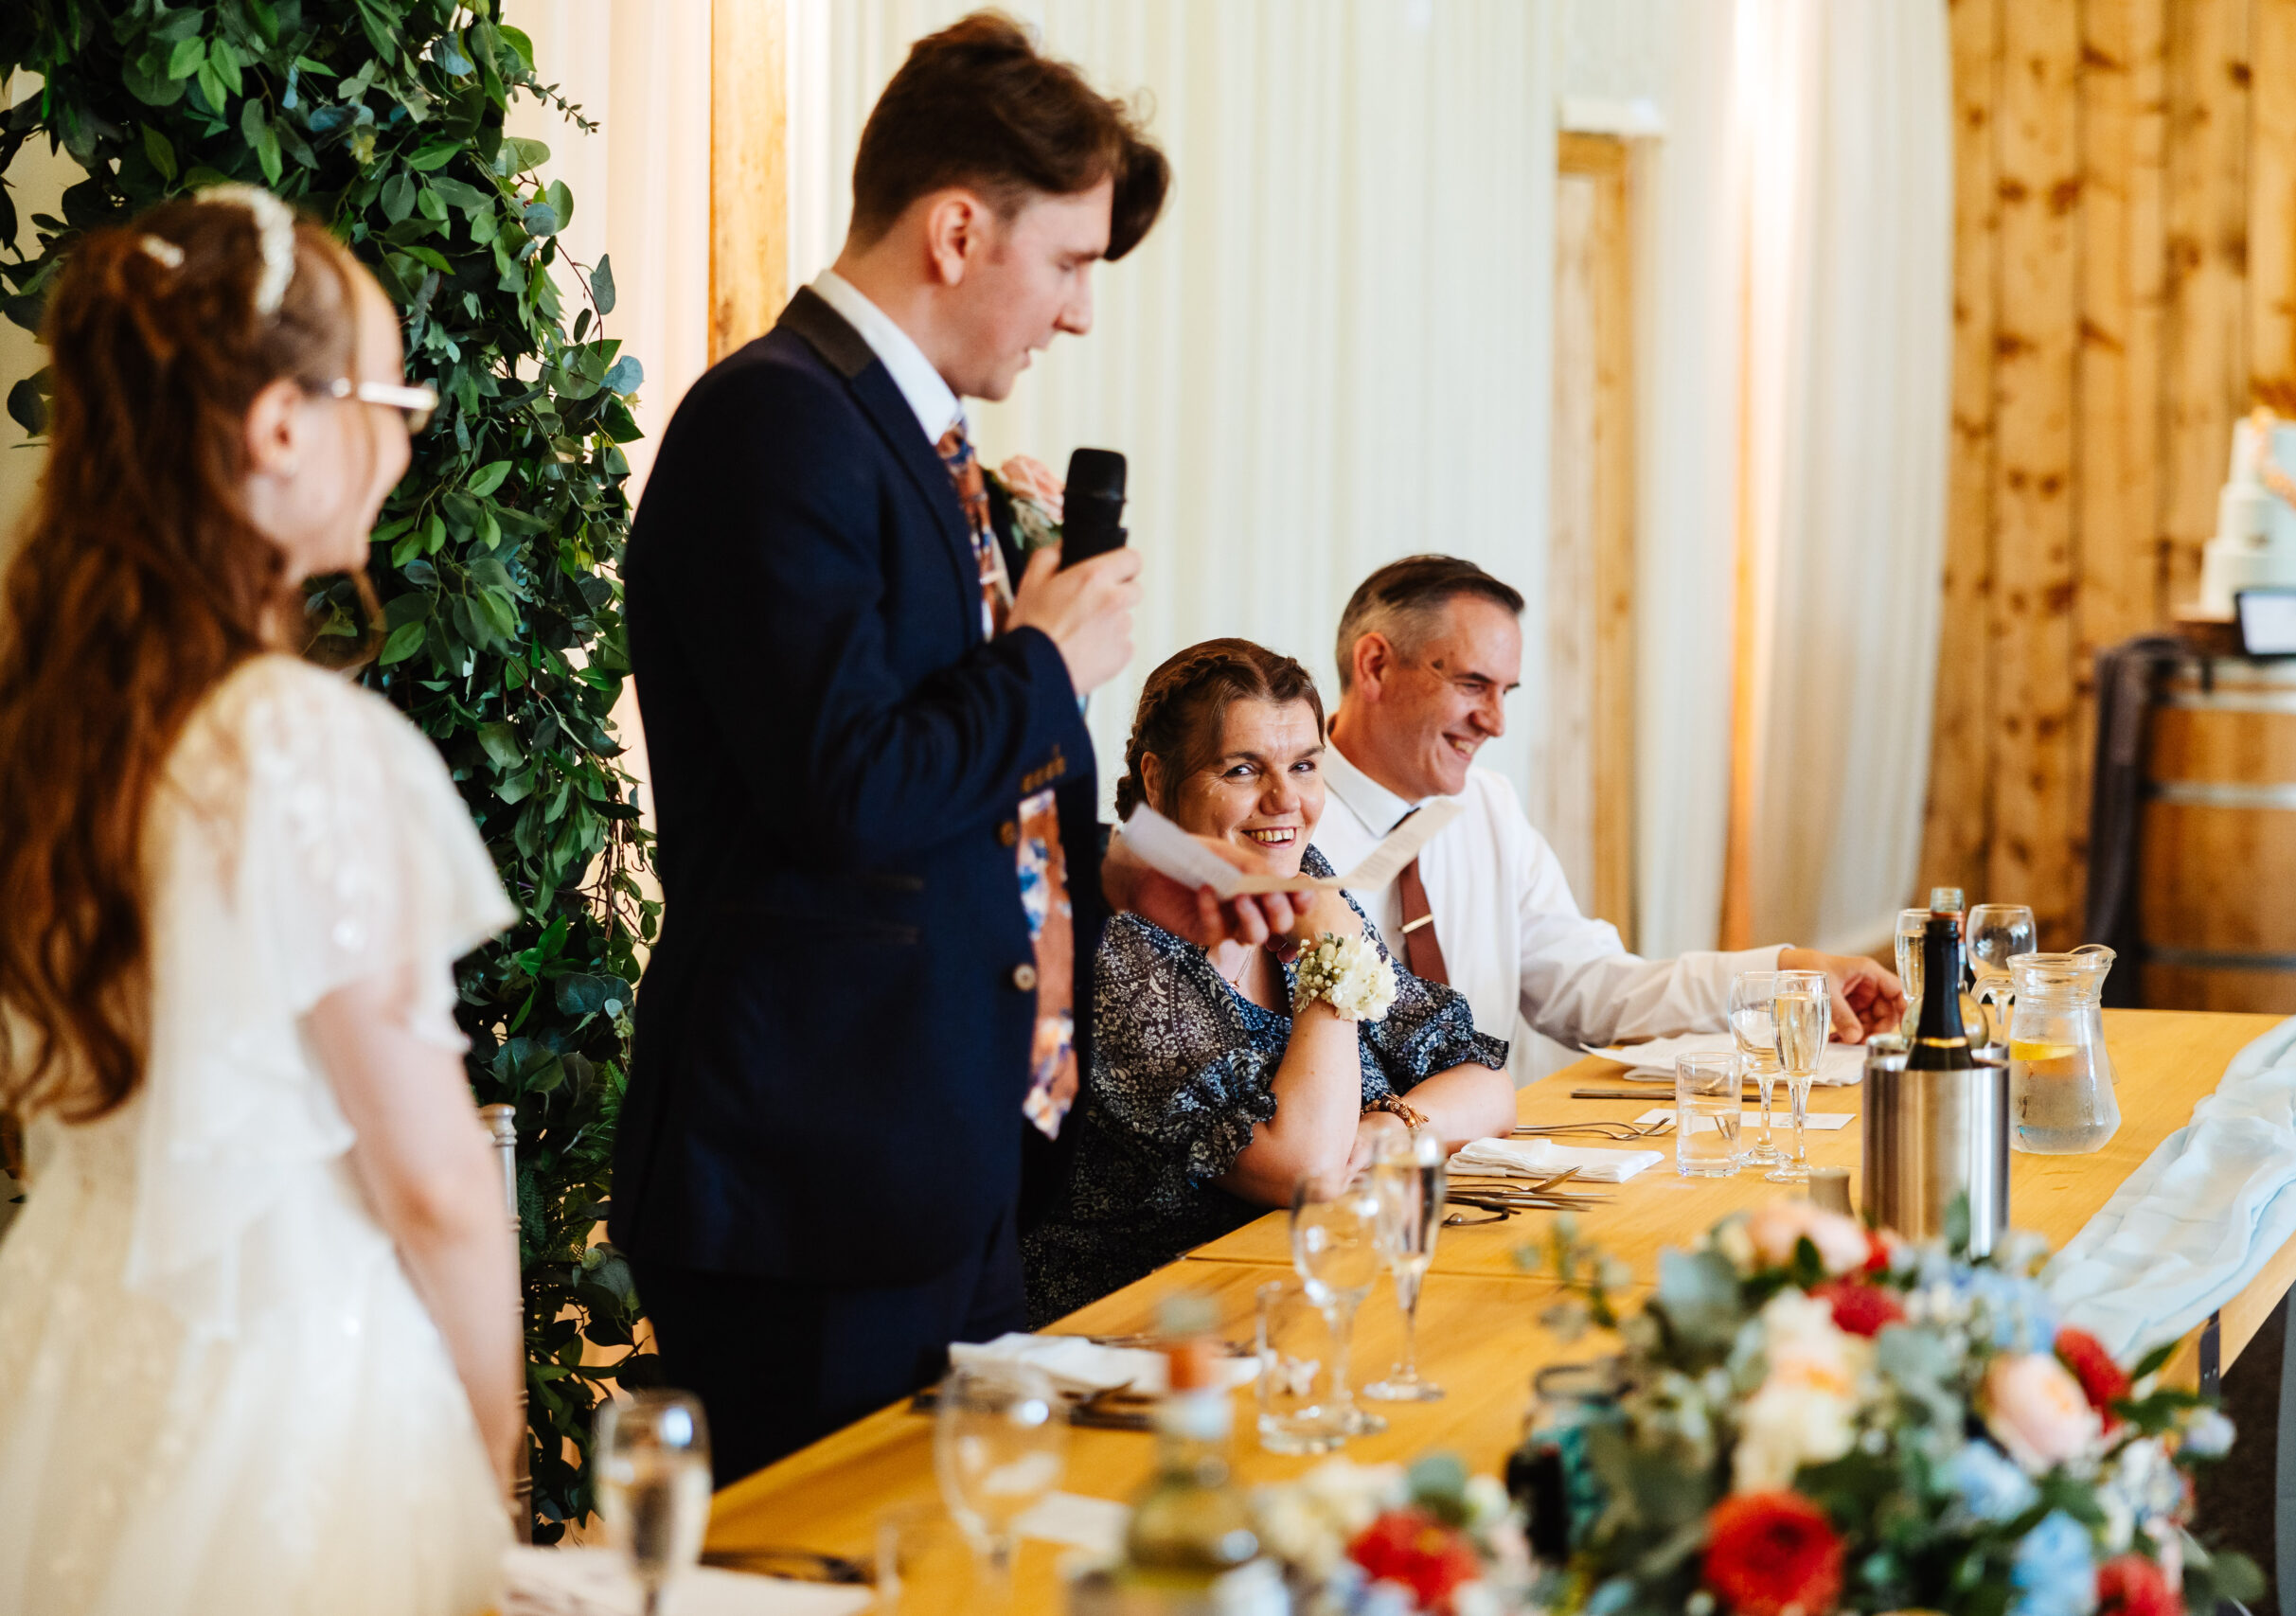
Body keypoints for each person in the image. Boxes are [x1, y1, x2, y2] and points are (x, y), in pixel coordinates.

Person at [614, 15, 1305, 1484]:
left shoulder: (908, 449)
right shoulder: (775, 426)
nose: (1078, 316)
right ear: (954, 229)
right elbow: (844, 788)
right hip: (814, 1170)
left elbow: (934, 800)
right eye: (1067, 264)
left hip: (943, 1165)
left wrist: (1120, 869)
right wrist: (1047, 660)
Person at [0, 191, 517, 1613]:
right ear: (280, 427)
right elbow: (432, 1180)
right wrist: (491, 1446)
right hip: (284, 1384)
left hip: (59, 1355)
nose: (408, 439)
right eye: (391, 394)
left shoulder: (41, 721)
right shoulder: (290, 740)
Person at [1023, 641, 1515, 1323]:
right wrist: (1332, 958)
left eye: (1305, 765)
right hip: (1146, 1332)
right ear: (1158, 777)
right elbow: (1305, 1170)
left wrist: (1390, 1131)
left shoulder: (1299, 877)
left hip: (1309, 1291)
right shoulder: (1115, 941)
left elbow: (1487, 1084)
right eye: (1243, 768)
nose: (1286, 799)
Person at [1312, 556, 1904, 1085]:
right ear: (1375, 666)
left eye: (1505, 693)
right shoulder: (1280, 825)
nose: (1495, 723)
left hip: (1479, 1173)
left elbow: (1593, 991)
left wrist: (1779, 977)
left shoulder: (1489, 806)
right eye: (1472, 685)